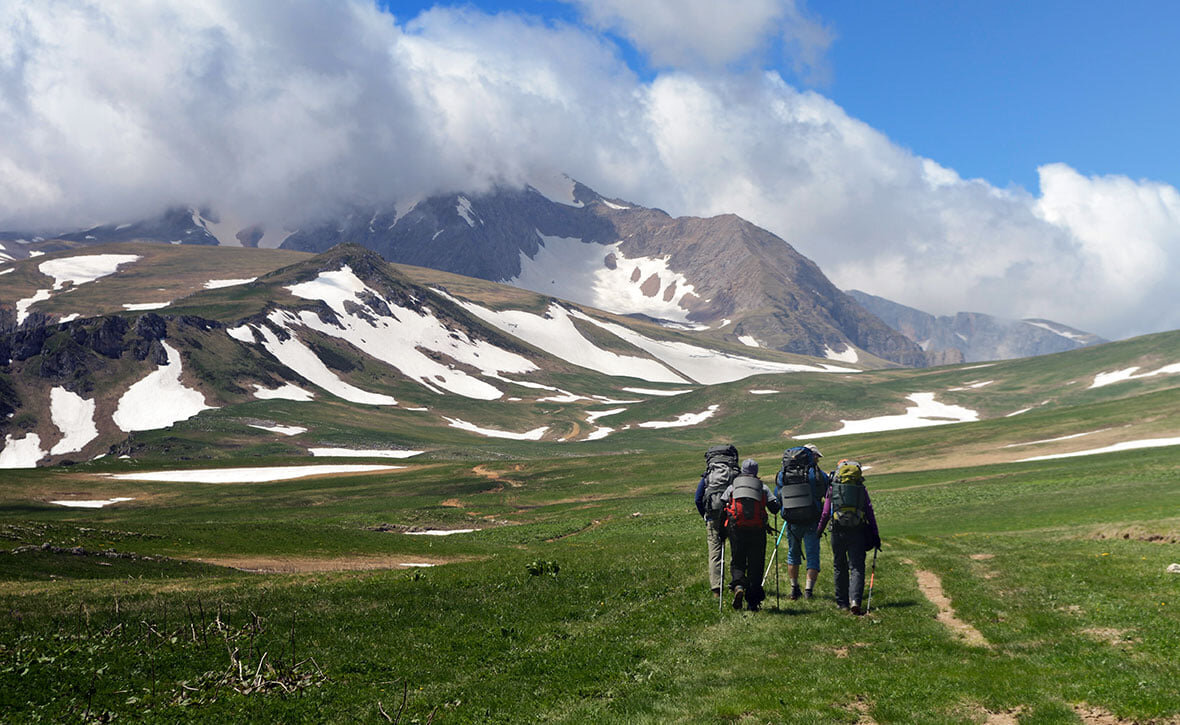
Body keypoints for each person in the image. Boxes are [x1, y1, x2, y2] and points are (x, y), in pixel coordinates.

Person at [816, 460, 881, 615]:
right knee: (857, 567)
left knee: (839, 566)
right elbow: (870, 512)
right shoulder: (861, 489)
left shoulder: (833, 488)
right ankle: (855, 601)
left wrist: (819, 531)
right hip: (857, 530)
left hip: (838, 531)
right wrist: (875, 535)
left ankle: (842, 603)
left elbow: (825, 513)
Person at [721, 459, 781, 611]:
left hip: (736, 529)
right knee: (756, 564)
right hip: (757, 530)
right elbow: (774, 508)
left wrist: (722, 530)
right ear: (756, 472)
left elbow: (722, 503)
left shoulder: (734, 486)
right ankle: (753, 602)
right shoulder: (762, 487)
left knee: (738, 560)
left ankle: (739, 585)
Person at [775, 444, 828, 601]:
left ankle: (793, 588)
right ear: (811, 456)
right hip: (812, 518)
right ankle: (808, 591)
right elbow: (827, 491)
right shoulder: (816, 473)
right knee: (813, 554)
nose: (818, 459)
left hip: (792, 520)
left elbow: (778, 495)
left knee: (793, 553)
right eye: (817, 456)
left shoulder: (783, 473)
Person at [695, 444, 739, 597]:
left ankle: (716, 589)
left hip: (712, 515)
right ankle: (737, 584)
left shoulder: (709, 475)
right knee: (736, 549)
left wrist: (705, 516)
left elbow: (697, 499)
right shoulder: (735, 473)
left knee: (715, 552)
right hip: (732, 516)